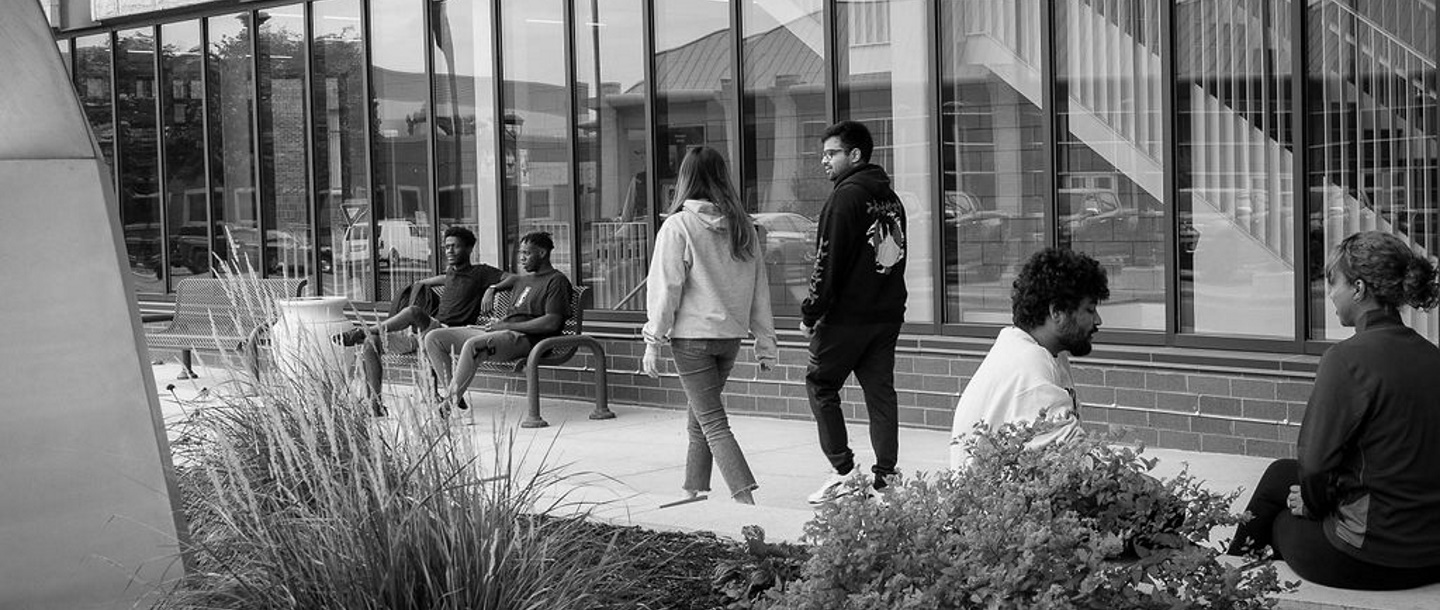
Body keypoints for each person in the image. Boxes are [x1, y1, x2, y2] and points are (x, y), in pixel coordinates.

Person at [1226, 231, 1440, 590]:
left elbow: (1315, 464)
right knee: (1281, 475)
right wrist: (1316, 496)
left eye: (1333, 282)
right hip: (1432, 553)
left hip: (1371, 557)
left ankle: (1221, 590)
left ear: (1358, 289)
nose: (1330, 294)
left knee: (1275, 520)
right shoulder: (1433, 357)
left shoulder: (1346, 360)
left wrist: (1311, 504)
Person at [641, 146, 779, 505]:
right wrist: (765, 344)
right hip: (729, 338)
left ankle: (744, 497)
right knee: (700, 415)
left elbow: (666, 288)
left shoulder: (678, 226)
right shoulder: (744, 227)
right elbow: (759, 289)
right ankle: (693, 489)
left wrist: (652, 341)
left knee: (713, 421)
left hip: (692, 340)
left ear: (684, 179)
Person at [801, 120, 908, 505]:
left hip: (847, 318)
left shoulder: (843, 198)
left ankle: (844, 473)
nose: (824, 161)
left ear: (855, 155)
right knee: (880, 394)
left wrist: (811, 311)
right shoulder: (891, 199)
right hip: (886, 314)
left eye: (832, 154)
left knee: (821, 385)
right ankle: (886, 478)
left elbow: (826, 262)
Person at [948, 247, 1108, 469]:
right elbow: (1077, 462)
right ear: (1056, 312)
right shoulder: (1028, 366)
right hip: (997, 502)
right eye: (1090, 310)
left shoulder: (1047, 353)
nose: (1098, 320)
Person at [334, 226, 503, 415]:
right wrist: (422, 284)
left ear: (470, 248)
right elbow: (439, 280)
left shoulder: (481, 272)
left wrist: (492, 287)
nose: (449, 251)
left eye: (455, 246)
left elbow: (514, 278)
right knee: (371, 342)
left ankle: (362, 330)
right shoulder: (450, 273)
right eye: (447, 247)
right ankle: (375, 405)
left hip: (448, 334)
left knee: (414, 312)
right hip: (423, 334)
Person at [422, 231, 572, 414]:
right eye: (520, 253)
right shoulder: (523, 281)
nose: (522, 258)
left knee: (473, 346)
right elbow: (515, 311)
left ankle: (448, 404)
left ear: (542, 253)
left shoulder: (556, 281)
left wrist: (506, 326)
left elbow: (551, 323)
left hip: (528, 340)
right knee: (434, 337)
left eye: (527, 253)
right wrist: (495, 305)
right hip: (502, 332)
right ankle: (456, 397)